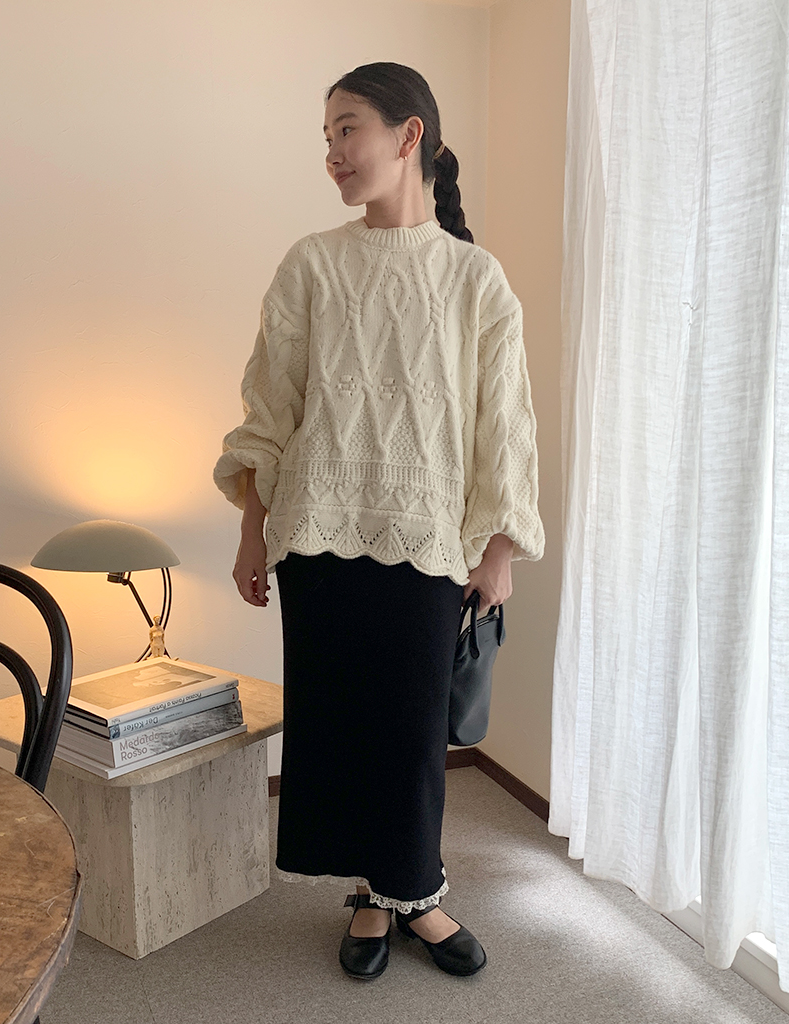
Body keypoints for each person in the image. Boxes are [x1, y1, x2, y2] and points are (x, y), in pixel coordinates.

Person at [213, 61, 544, 981]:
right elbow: (269, 409)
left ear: (409, 136)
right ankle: (370, 893)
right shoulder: (311, 264)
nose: (332, 152)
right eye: (325, 137)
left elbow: (506, 427)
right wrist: (251, 529)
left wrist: (500, 550)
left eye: (347, 128)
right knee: (339, 726)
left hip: (429, 540)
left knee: (412, 734)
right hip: (317, 539)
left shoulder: (476, 278)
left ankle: (419, 895)